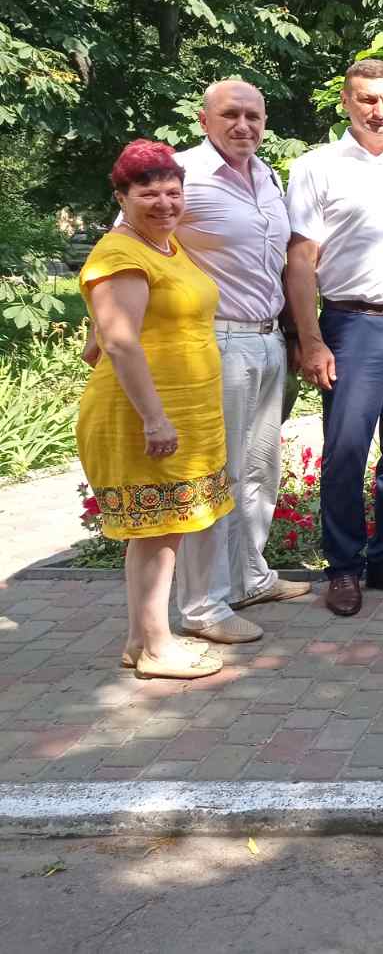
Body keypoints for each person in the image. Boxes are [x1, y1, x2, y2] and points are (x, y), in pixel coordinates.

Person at [286, 59, 383, 616]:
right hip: (352, 325)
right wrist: (311, 340)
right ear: (347, 102)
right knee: (347, 453)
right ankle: (344, 569)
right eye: (368, 99)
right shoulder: (317, 168)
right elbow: (300, 259)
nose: (379, 111)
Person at [159, 80, 308, 645]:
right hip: (216, 341)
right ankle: (204, 606)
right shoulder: (181, 174)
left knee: (260, 468)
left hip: (268, 341)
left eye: (253, 116)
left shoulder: (267, 175)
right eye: (230, 115)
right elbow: (131, 245)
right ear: (204, 120)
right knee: (216, 474)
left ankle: (250, 577)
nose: (243, 125)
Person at [77, 141, 230, 680]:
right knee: (157, 532)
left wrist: (96, 333)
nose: (164, 203)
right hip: (145, 414)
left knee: (163, 529)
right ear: (122, 197)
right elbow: (120, 342)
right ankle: (157, 648)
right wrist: (155, 418)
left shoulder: (163, 245)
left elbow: (113, 326)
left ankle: (140, 639)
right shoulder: (121, 253)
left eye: (172, 192)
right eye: (148, 194)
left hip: (182, 407)